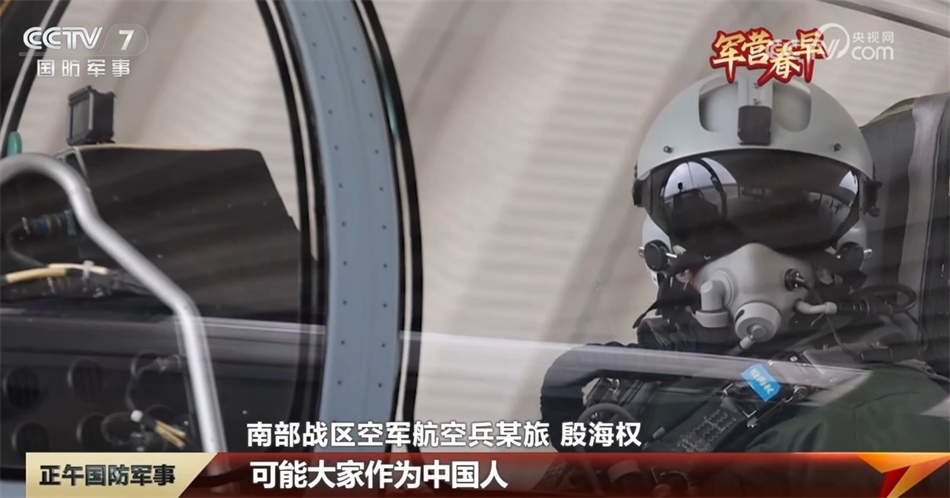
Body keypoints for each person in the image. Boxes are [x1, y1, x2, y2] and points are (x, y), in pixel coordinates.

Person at [537, 71, 950, 496]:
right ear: (660, 243)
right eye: (706, 223)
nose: (751, 257)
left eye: (794, 221)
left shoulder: (876, 428)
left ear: (846, 244)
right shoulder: (658, 382)